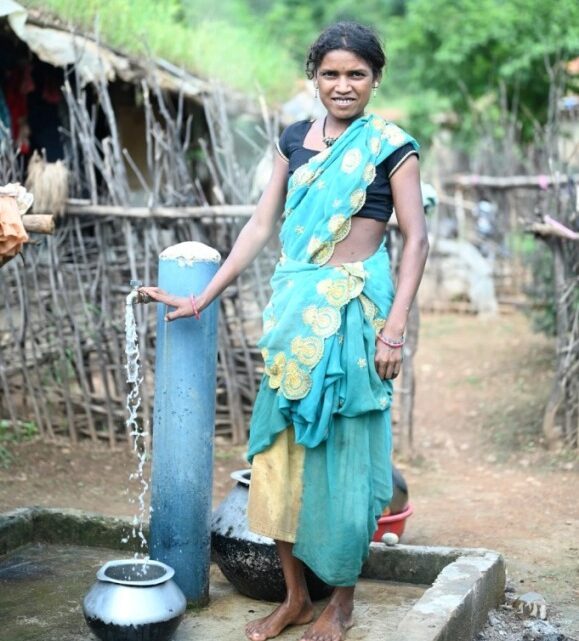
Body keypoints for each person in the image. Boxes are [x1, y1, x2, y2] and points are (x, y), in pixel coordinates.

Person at [140, 21, 428, 641]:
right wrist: (202, 296)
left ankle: (341, 604)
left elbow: (416, 239)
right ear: (313, 77)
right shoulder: (293, 140)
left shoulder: (391, 147)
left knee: (343, 462)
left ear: (376, 78)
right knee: (278, 459)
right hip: (292, 317)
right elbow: (258, 227)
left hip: (354, 321)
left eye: (356, 74)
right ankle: (295, 597)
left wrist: (396, 328)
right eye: (331, 73)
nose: (343, 85)